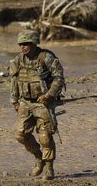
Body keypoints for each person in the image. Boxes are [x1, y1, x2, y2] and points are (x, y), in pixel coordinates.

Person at [9, 29, 65, 181]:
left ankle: (49, 167)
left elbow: (59, 78)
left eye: (26, 44)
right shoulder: (18, 60)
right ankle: (39, 158)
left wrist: (49, 95)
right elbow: (14, 81)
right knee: (21, 135)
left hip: (43, 104)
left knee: (45, 137)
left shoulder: (46, 57)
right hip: (25, 103)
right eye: (21, 44)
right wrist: (14, 101)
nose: (23, 47)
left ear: (34, 43)